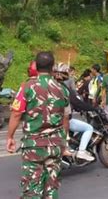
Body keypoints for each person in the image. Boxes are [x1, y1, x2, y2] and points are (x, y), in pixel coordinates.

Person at [6, 52, 69, 199]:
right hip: (56, 145)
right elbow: (66, 118)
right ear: (53, 67)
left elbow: (16, 114)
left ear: (36, 66)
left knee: (32, 189)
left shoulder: (27, 87)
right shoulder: (63, 89)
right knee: (52, 186)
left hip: (34, 146)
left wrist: (10, 137)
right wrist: (64, 141)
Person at [55, 63, 94, 162]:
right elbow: (76, 102)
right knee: (89, 128)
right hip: (63, 120)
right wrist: (93, 108)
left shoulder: (49, 86)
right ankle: (81, 151)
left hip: (50, 120)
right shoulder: (63, 88)